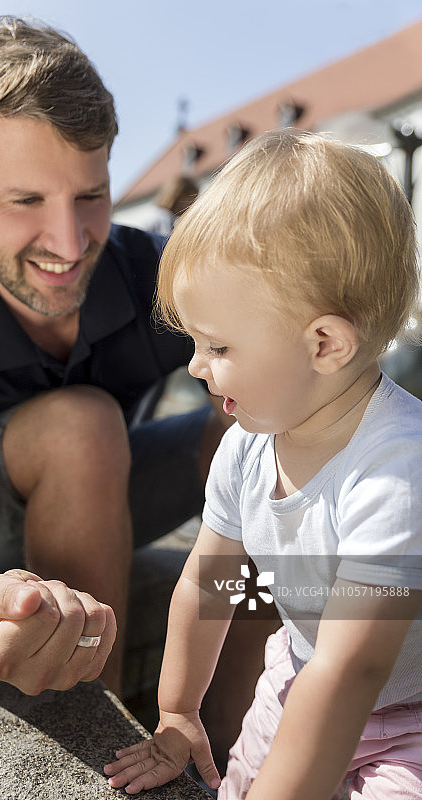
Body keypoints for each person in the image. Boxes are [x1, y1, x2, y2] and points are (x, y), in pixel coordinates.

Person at [0, 16, 231, 699]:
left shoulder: (156, 275)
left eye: (90, 196)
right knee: (82, 425)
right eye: (25, 201)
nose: (71, 244)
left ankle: (232, 735)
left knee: (253, 432)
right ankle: (96, 725)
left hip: (109, 490)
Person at [104, 129, 422, 798]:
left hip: (407, 716)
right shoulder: (246, 446)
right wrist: (177, 710)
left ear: (324, 344)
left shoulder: (397, 469)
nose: (194, 366)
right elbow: (210, 582)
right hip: (295, 675)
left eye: (217, 344)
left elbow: (352, 670)